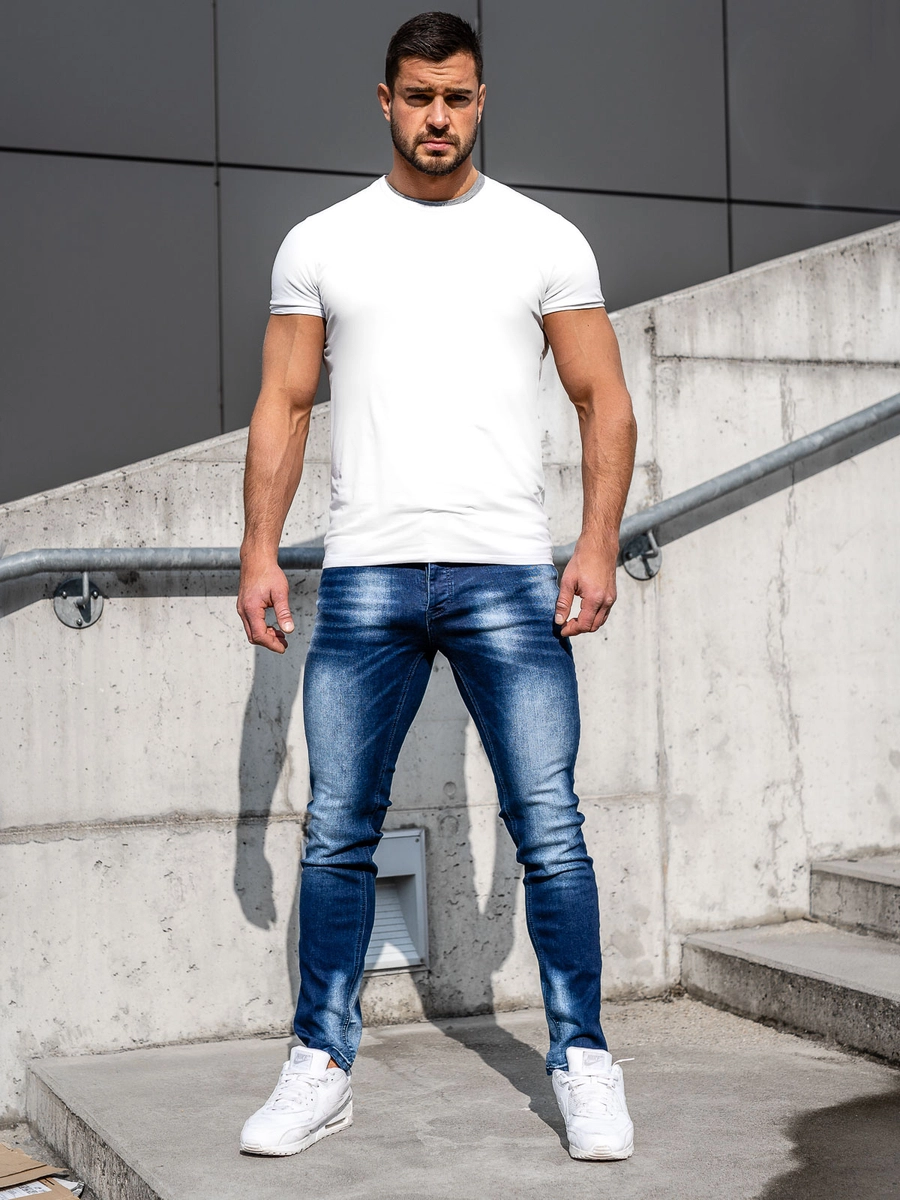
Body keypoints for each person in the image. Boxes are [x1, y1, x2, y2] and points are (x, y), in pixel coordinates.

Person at [236, 10, 638, 1164]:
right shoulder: (322, 243)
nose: (438, 117)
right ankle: (321, 1065)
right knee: (336, 830)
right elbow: (284, 404)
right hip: (364, 574)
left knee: (549, 826)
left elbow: (603, 399)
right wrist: (260, 550)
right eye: (419, 96)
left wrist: (596, 541)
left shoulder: (543, 240)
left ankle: (583, 1061)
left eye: (457, 97)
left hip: (507, 572)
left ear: (481, 100)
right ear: (386, 100)